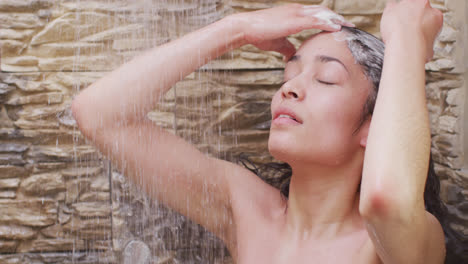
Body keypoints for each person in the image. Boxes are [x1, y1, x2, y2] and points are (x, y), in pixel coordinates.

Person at [71, 0, 446, 263]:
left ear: (374, 125)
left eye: (326, 79)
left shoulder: (399, 244)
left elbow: (386, 203)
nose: (289, 89)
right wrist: (238, 28)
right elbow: (100, 115)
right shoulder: (247, 210)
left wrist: (407, 40)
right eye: (289, 75)